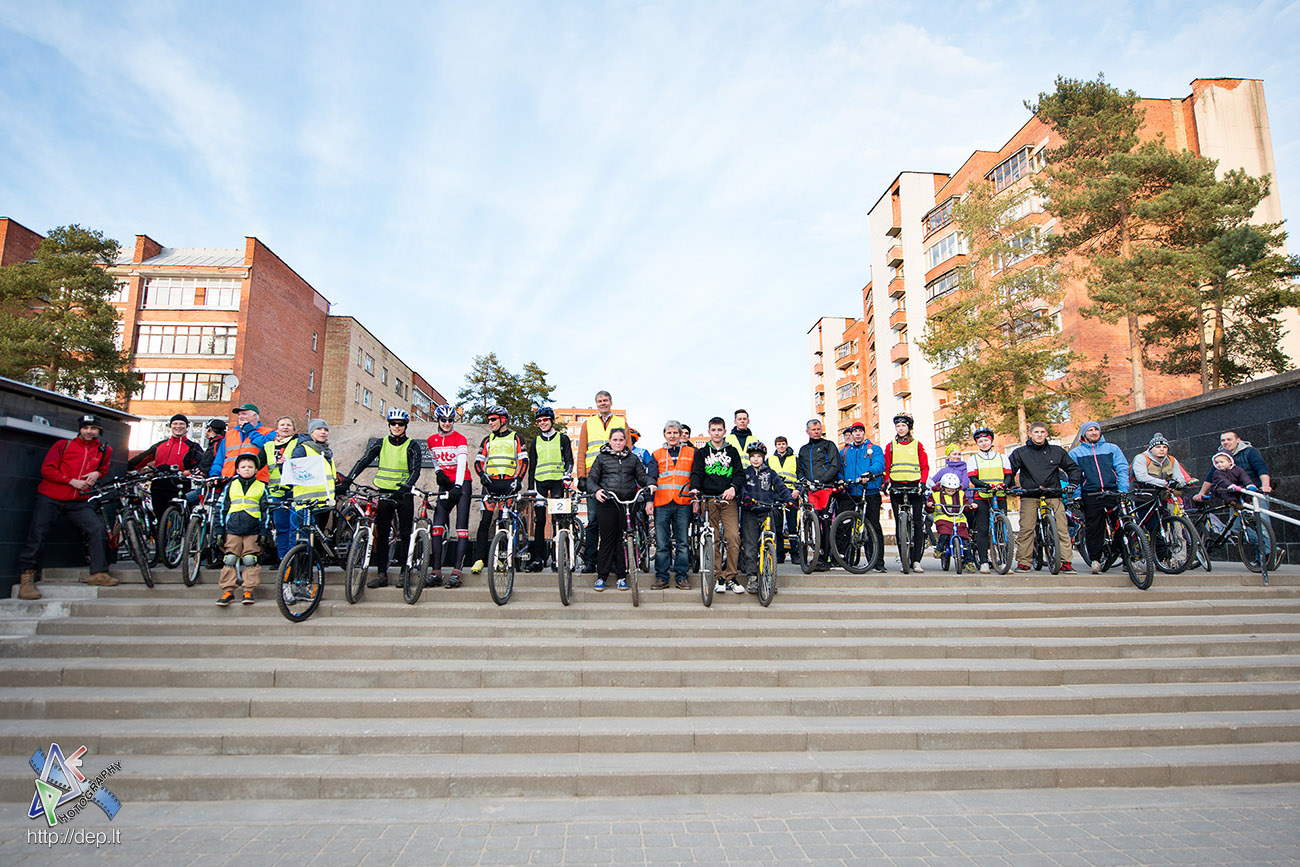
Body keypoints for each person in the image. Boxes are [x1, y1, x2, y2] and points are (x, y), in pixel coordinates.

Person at [16, 415, 117, 599]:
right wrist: (71, 481)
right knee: (37, 534)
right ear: (80, 429)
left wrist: (97, 474)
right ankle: (27, 579)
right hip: (50, 497)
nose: (89, 431)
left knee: (96, 528)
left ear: (99, 431)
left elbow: (103, 470)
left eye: (93, 428)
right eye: (86, 427)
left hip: (78, 501)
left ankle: (98, 573)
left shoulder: (105, 450)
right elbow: (47, 469)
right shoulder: (63, 446)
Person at [344, 408, 423, 589]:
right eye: (393, 424)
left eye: (400, 424)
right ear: (389, 425)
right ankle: (382, 574)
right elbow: (363, 461)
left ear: (405, 426)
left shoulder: (412, 446)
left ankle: (405, 572)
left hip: (403, 495)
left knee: (404, 534)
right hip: (384, 493)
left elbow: (415, 470)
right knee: (382, 535)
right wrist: (348, 479)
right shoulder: (381, 444)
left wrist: (405, 486)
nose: (396, 427)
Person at [1009, 421, 1081, 572]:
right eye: (1036, 432)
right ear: (1030, 434)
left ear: (1047, 434)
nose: (1039, 435)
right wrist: (1012, 487)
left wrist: (1073, 483)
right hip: (1030, 494)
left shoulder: (1057, 451)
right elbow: (1009, 472)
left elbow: (1073, 468)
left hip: (1053, 493)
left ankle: (1065, 562)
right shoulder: (1020, 453)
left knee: (1062, 527)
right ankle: (1024, 561)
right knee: (1027, 528)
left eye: (1042, 432)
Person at [587, 428, 651, 591]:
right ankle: (601, 576)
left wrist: (650, 483)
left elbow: (642, 476)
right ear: (610, 441)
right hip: (608, 503)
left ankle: (622, 576)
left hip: (628, 503)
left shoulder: (633, 459)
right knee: (607, 540)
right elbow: (592, 479)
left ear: (625, 441)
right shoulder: (601, 458)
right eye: (615, 440)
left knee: (623, 541)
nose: (618, 443)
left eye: (621, 440)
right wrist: (597, 491)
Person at [689, 417, 746, 595]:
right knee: (712, 539)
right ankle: (717, 577)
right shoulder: (701, 453)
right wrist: (695, 491)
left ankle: (731, 576)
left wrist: (733, 488)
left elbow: (739, 474)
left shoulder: (733, 451)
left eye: (719, 430)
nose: (716, 433)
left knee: (733, 537)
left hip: (728, 499)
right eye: (713, 430)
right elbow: (696, 473)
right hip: (708, 499)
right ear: (709, 432)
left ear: (724, 431)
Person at [470, 406, 529, 573]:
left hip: (509, 484)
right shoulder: (487, 439)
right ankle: (480, 559)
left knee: (505, 521)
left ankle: (504, 559)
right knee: (484, 522)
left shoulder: (516, 437)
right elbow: (478, 462)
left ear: (503, 420)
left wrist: (518, 479)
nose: (490, 422)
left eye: (493, 419)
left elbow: (524, 461)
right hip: (490, 485)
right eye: (489, 420)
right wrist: (482, 475)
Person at [575, 391, 628, 573]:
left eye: (605, 400)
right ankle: (591, 560)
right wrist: (581, 476)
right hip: (593, 477)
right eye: (599, 401)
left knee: (614, 522)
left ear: (611, 402)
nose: (603, 403)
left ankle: (613, 560)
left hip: (615, 475)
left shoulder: (621, 422)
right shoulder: (588, 423)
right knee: (593, 520)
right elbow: (581, 451)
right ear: (596, 404)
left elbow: (626, 450)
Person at [1068, 420, 1130, 574]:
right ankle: (1095, 560)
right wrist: (1077, 496)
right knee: (1094, 528)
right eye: (1090, 430)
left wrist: (1123, 489)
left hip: (1113, 491)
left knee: (1122, 525)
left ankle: (1127, 559)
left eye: (1096, 429)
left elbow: (1122, 468)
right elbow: (1075, 477)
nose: (1094, 432)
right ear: (1084, 434)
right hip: (1091, 493)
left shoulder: (1112, 448)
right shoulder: (1075, 453)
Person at [214, 453, 270, 607]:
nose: (247, 469)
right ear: (237, 470)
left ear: (256, 469)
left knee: (250, 560)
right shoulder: (230, 486)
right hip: (232, 528)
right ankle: (228, 590)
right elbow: (221, 509)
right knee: (230, 559)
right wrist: (219, 529)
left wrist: (265, 531)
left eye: (250, 467)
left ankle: (248, 589)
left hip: (253, 529)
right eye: (243, 467)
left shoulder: (262, 487)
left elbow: (266, 511)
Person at [739, 441, 794, 594]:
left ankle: (769, 577)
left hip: (767, 511)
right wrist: (746, 497)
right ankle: (752, 578)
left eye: (759, 456)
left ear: (764, 457)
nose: (756, 459)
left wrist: (789, 499)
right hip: (750, 512)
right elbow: (740, 489)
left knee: (770, 545)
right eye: (753, 456)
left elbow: (781, 488)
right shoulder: (745, 473)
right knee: (750, 546)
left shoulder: (770, 473)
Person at [426, 404, 471, 588]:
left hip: (462, 483)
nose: (446, 423)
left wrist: (458, 485)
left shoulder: (460, 438)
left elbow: (462, 464)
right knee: (437, 526)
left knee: (461, 527)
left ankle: (457, 572)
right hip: (446, 483)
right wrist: (438, 472)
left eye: (450, 420)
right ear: (438, 420)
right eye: (443, 420)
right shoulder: (431, 440)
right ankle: (436, 571)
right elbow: (436, 461)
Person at [648, 420, 695, 590]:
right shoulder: (657, 454)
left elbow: (696, 476)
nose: (673, 436)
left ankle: (681, 577)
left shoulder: (692, 453)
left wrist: (696, 500)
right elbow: (651, 477)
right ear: (664, 435)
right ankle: (662, 577)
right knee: (661, 543)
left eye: (676, 432)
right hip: (662, 502)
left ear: (681, 434)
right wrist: (649, 501)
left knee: (682, 542)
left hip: (684, 502)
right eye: (669, 433)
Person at [127, 413, 201, 523]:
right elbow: (141, 459)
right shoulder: (160, 445)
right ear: (170, 426)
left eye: (181, 424)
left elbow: (201, 465)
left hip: (179, 486)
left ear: (187, 427)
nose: (178, 426)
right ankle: (160, 538)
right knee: (160, 519)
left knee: (179, 521)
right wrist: (125, 467)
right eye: (175, 424)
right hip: (158, 485)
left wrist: (189, 472)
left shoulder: (193, 447)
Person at [527, 406, 574, 572]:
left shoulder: (563, 439)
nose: (542, 423)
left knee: (556, 520)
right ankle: (538, 559)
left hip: (557, 483)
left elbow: (569, 460)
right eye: (539, 421)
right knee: (539, 522)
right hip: (539, 483)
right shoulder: (536, 441)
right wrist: (530, 487)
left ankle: (557, 558)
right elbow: (532, 465)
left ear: (551, 421)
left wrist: (567, 475)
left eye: (545, 420)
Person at [884, 413, 931, 573]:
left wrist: (923, 483)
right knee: (899, 523)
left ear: (909, 428)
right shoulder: (891, 446)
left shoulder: (917, 445)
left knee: (917, 522)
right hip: (896, 486)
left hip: (914, 486)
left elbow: (924, 466)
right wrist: (886, 482)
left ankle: (916, 560)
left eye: (903, 426)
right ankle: (903, 555)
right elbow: (887, 466)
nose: (900, 428)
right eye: (898, 426)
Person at [838, 420, 886, 572]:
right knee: (844, 524)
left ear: (864, 433)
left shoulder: (874, 449)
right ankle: (845, 559)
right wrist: (840, 480)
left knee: (873, 525)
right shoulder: (845, 451)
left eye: (860, 431)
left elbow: (879, 464)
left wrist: (869, 473)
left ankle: (877, 562)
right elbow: (839, 469)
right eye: (855, 431)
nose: (857, 434)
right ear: (851, 434)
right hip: (851, 492)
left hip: (869, 491)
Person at [796, 418, 842, 569]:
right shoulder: (803, 450)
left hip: (826, 488)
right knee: (814, 523)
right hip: (811, 491)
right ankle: (817, 555)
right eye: (813, 429)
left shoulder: (829, 445)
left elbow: (835, 466)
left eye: (818, 429)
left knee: (826, 523)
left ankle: (826, 559)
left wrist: (821, 480)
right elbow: (800, 468)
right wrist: (803, 480)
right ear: (807, 431)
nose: (816, 432)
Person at [966, 426, 1013, 574]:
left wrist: (1004, 484)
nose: (984, 443)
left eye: (986, 440)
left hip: (999, 496)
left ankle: (1004, 560)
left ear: (991, 441)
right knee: (983, 530)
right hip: (982, 496)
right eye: (980, 441)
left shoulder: (1002, 457)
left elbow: (1008, 475)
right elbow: (973, 478)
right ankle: (984, 562)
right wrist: (985, 485)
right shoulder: (973, 459)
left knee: (1002, 529)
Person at [288, 419, 342, 540]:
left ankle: (318, 559)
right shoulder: (303, 449)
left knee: (319, 538)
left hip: (325, 502)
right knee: (306, 539)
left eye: (325, 430)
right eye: (319, 429)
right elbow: (295, 470)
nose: (323, 432)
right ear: (311, 432)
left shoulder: (327, 452)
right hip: (307, 503)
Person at [260, 416, 299, 561]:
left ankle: (293, 558)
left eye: (289, 425)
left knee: (294, 526)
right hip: (277, 491)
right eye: (282, 425)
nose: (285, 427)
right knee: (281, 527)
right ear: (276, 429)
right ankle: (282, 559)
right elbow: (258, 463)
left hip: (294, 490)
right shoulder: (268, 446)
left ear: (294, 430)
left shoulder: (298, 444)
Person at [928, 471, 977, 573]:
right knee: (945, 533)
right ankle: (939, 549)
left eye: (953, 490)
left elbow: (965, 504)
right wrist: (930, 505)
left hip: (958, 519)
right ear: (943, 487)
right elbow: (930, 507)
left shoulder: (960, 494)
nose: (951, 492)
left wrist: (971, 506)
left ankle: (969, 562)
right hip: (943, 518)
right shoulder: (936, 495)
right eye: (949, 490)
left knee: (965, 540)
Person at [213, 403, 274, 481]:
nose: (240, 417)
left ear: (254, 416)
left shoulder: (269, 432)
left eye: (244, 414)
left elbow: (265, 445)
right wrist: (215, 475)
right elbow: (220, 458)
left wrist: (250, 430)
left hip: (257, 480)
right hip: (229, 479)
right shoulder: (230, 434)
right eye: (239, 415)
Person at [767, 436, 799, 564]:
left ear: (786, 445)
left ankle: (795, 553)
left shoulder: (795, 459)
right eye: (779, 444)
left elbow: (800, 475)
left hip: (791, 494)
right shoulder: (770, 460)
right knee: (778, 526)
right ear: (775, 446)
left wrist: (798, 490)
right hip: (776, 495)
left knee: (792, 526)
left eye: (783, 444)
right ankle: (780, 554)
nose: (781, 446)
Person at [1193, 451, 1258, 504]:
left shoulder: (1238, 469)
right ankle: (1233, 503)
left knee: (1245, 492)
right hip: (1220, 488)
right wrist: (1231, 486)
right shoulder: (1217, 472)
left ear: (1230, 462)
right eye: (1217, 463)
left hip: (1234, 488)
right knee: (1224, 493)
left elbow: (1244, 477)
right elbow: (1223, 480)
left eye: (1221, 462)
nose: (1219, 464)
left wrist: (1249, 485)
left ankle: (1249, 502)